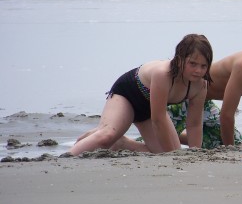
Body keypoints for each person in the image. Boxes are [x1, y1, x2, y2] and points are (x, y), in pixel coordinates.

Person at [69, 34, 213, 156]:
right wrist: (174, 156)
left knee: (162, 153)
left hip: (149, 111)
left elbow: (194, 124)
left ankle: (122, 143)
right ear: (180, 59)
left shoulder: (200, 86)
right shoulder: (163, 74)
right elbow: (159, 118)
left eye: (203, 66)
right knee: (107, 135)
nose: (198, 71)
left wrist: (196, 153)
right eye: (192, 64)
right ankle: (68, 156)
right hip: (127, 96)